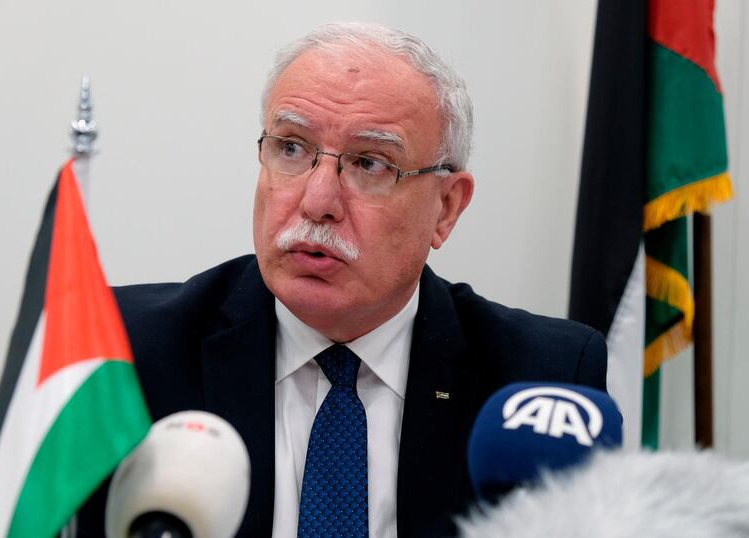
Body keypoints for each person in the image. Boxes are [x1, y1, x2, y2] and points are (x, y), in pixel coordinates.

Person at [77, 22, 607, 537]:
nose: (317, 202)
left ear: (446, 208)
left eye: (371, 163)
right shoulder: (121, 351)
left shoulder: (542, 380)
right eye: (290, 148)